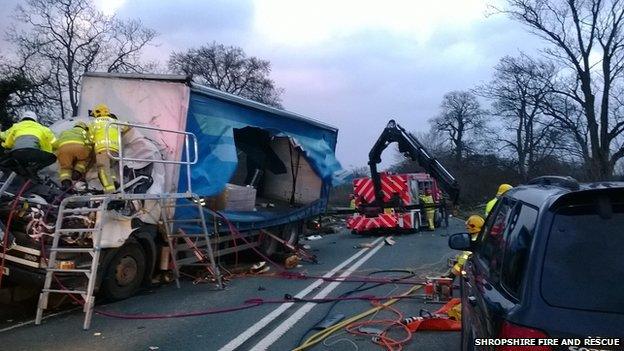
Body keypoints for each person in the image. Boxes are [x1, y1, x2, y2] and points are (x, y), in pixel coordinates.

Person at [0, 110, 56, 176]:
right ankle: (34, 169)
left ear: (22, 118)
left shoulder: (16, 126)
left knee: (14, 158)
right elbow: (54, 143)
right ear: (35, 119)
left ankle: (20, 171)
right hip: (33, 152)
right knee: (52, 158)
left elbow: (7, 141)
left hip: (17, 153)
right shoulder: (43, 128)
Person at [89, 103, 127, 193]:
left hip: (102, 150)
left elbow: (90, 137)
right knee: (110, 169)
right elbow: (126, 126)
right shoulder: (114, 121)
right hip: (116, 151)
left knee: (103, 171)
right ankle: (114, 183)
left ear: (97, 113)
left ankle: (110, 192)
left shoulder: (95, 122)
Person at [54, 121, 92, 190]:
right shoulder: (84, 132)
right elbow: (89, 143)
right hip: (78, 148)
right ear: (84, 127)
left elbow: (55, 144)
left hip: (63, 149)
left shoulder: (65, 132)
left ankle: (66, 183)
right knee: (84, 159)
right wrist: (88, 151)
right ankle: (77, 172)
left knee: (65, 168)